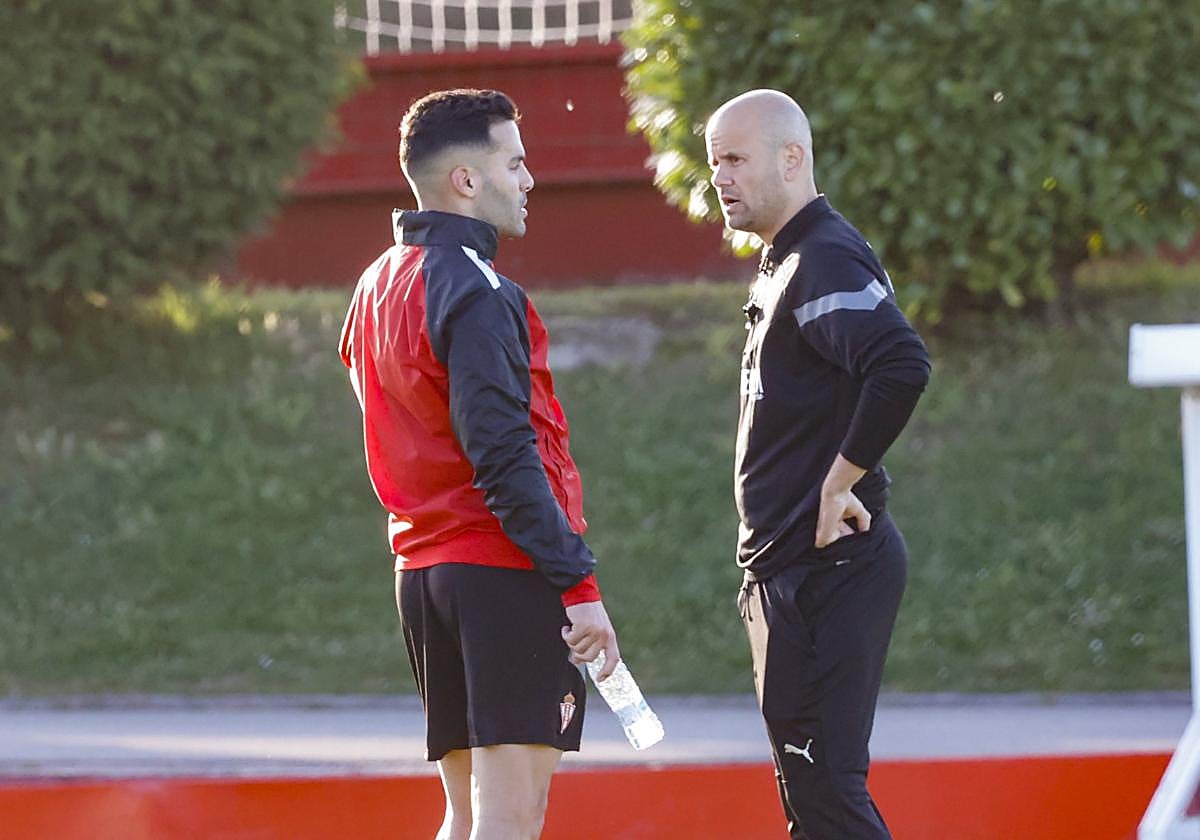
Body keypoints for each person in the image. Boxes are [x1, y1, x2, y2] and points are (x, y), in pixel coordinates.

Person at [338, 88, 620, 840]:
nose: (529, 180)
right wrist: (578, 584)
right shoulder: (479, 289)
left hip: (424, 574)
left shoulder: (376, 281)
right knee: (509, 818)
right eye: (515, 163)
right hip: (499, 571)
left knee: (465, 816)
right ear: (466, 179)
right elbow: (505, 455)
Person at [706, 89, 932, 839]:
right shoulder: (784, 260)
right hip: (788, 570)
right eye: (714, 162)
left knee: (828, 794)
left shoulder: (822, 255)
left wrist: (840, 482)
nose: (720, 177)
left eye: (735, 159)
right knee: (811, 799)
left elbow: (900, 364)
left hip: (828, 568)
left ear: (791, 158)